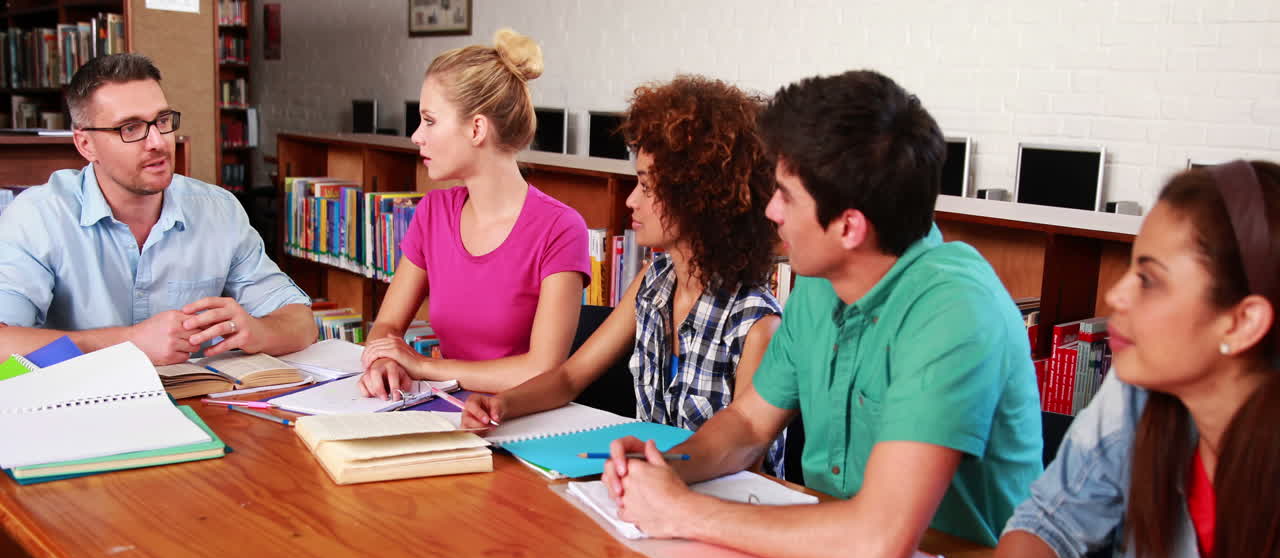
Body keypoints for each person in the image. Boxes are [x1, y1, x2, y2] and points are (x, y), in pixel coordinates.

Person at [600, 70, 1042, 558]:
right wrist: (663, 469)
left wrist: (681, 512)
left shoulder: (955, 310)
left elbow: (876, 545)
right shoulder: (820, 283)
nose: (769, 211)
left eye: (786, 196)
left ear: (849, 226)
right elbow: (747, 425)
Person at [928, 160, 1280, 558]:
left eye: (1149, 280)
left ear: (1243, 322)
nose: (1116, 294)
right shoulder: (1139, 385)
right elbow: (1056, 519)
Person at [460, 76, 786, 473]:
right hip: (644, 491)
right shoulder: (653, 281)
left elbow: (747, 457)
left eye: (647, 188)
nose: (631, 200)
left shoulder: (756, 324)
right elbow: (568, 378)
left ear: (700, 197)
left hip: (714, 505)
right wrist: (503, 404)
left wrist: (663, 472)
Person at [0, 54, 313, 364]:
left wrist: (258, 330)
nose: (158, 142)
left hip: (197, 405)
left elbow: (300, 321)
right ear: (86, 145)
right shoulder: (38, 216)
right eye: (130, 128)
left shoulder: (219, 210)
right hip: (83, 407)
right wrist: (128, 343)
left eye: (162, 122)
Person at [357, 29, 589, 398]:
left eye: (430, 121)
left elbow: (542, 370)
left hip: (523, 422)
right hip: (448, 409)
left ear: (477, 128)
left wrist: (425, 366)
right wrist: (385, 361)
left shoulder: (561, 228)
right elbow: (386, 324)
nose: (417, 136)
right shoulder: (432, 212)